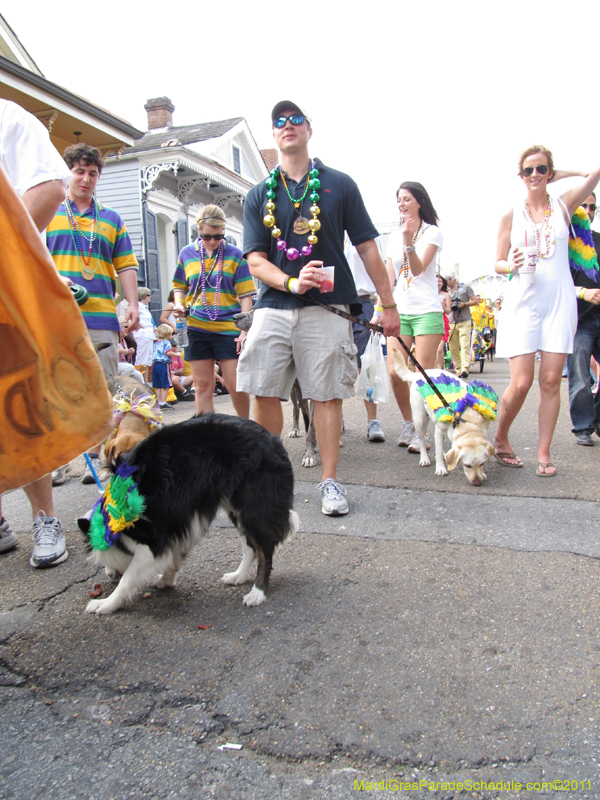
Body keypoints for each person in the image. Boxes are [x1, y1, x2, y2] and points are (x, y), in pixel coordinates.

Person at [236, 100, 400, 516]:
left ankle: (330, 481)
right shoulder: (259, 194)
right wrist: (290, 281)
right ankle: (269, 479)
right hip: (273, 306)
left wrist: (388, 304)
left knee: (326, 394)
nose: (287, 125)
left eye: (295, 119)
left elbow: (367, 248)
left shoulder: (339, 184)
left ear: (309, 129)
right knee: (263, 388)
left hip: (327, 307)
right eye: (279, 121)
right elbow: (255, 260)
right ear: (274, 135)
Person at [494, 145, 600, 475]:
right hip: (523, 302)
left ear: (550, 173)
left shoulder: (565, 205)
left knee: (552, 381)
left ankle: (543, 455)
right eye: (528, 170)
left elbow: (594, 174)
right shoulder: (511, 214)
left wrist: (557, 175)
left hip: (559, 302)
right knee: (522, 382)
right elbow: (497, 262)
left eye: (542, 169)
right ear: (520, 175)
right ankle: (500, 438)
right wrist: (509, 264)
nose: (535, 175)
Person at [0, 99, 73, 566]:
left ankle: (45, 517)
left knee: (22, 406)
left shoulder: (9, 119)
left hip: (9, 291)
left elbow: (49, 189)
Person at [46, 143, 139, 485]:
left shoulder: (111, 218)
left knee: (102, 392)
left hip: (101, 318)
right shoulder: (48, 213)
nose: (86, 179)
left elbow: (126, 264)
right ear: (67, 173)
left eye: (93, 173)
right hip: (56, 317)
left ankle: (98, 457)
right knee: (57, 391)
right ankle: (58, 460)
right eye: (79, 172)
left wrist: (132, 303)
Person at [172, 205, 254, 418]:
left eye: (218, 236)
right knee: (202, 385)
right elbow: (179, 286)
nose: (212, 241)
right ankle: (206, 434)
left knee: (235, 385)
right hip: (196, 326)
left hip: (229, 327)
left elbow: (246, 294)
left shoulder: (236, 255)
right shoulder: (187, 253)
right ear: (198, 231)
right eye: (207, 236)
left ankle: (244, 429)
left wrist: (244, 331)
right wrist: (179, 303)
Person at [385, 182, 444, 452]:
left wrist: (409, 241)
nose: (401, 203)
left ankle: (424, 433)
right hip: (400, 310)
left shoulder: (432, 232)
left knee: (422, 375)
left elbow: (418, 269)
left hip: (426, 311)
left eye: (407, 199)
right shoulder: (392, 236)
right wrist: (380, 309)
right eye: (399, 199)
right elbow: (389, 277)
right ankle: (410, 423)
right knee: (394, 372)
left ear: (419, 202)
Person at [566, 192, 600, 445]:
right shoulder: (563, 243)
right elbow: (555, 283)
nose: (588, 210)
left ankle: (596, 417)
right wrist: (583, 292)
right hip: (579, 320)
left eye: (592, 207)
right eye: (583, 205)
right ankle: (583, 426)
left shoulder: (598, 240)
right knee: (579, 375)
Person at [345, 237, 385, 442]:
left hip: (362, 303)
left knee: (366, 366)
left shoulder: (364, 235)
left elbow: (382, 273)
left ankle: (372, 421)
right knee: (332, 365)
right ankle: (335, 417)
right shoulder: (323, 231)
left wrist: (381, 309)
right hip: (331, 305)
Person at [443, 269, 478, 379]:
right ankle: (458, 369)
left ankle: (465, 369)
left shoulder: (465, 288)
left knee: (464, 345)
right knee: (453, 347)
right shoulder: (446, 291)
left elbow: (475, 300)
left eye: (446, 280)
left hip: (465, 320)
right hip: (451, 321)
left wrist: (464, 304)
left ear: (451, 279)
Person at [133, 287, 155, 384]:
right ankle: (139, 382)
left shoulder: (144, 307)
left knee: (147, 360)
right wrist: (136, 324)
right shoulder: (137, 306)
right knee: (141, 359)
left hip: (149, 334)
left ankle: (145, 382)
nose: (150, 297)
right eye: (148, 295)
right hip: (142, 334)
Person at [152, 324, 176, 409]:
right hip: (163, 364)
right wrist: (177, 354)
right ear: (167, 334)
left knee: (158, 386)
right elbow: (168, 352)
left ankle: (159, 402)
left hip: (155, 365)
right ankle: (163, 402)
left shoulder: (156, 343)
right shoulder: (166, 342)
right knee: (166, 385)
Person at [436, 274, 452, 369]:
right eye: (436, 281)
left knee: (439, 349)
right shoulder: (429, 293)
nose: (438, 283)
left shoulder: (446, 295)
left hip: (442, 320)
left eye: (440, 281)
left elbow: (448, 311)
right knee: (432, 349)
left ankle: (440, 369)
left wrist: (443, 307)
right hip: (431, 320)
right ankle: (433, 369)